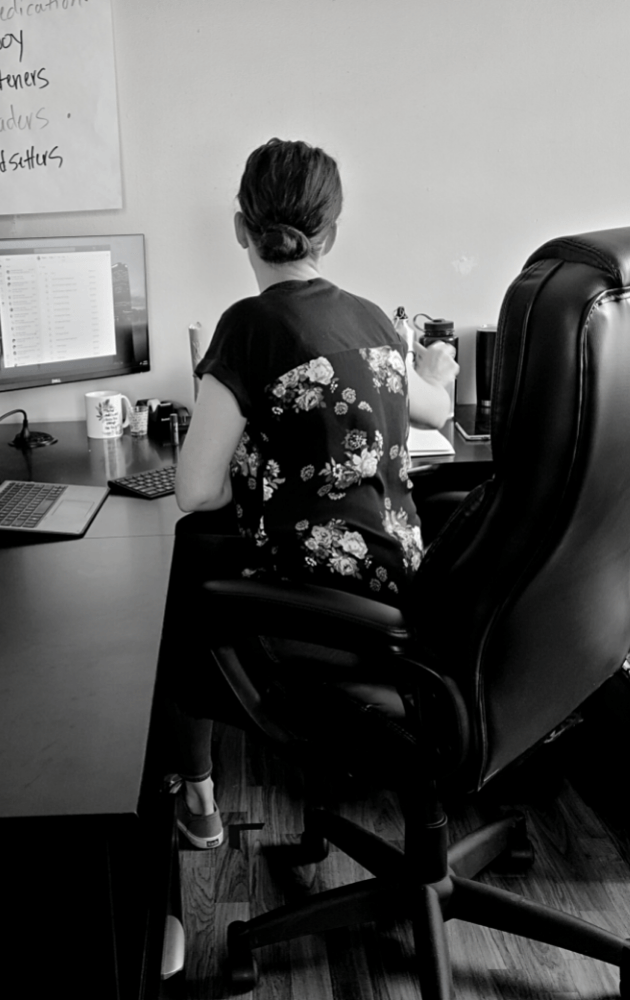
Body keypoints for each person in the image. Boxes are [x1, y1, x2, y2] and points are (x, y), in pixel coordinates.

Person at [164, 138, 458, 849]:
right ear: (332, 232)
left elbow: (194, 493)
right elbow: (429, 409)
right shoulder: (371, 317)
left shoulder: (247, 327)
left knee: (181, 592)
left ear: (241, 228)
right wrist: (437, 366)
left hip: (315, 600)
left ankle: (197, 800)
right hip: (405, 589)